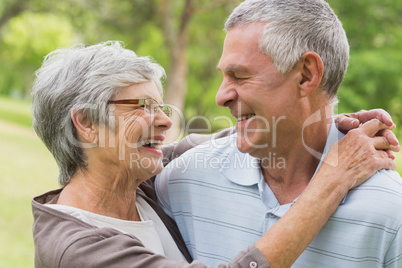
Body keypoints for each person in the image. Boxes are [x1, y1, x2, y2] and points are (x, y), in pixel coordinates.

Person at [31, 41, 397, 268]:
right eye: (142, 106)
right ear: (87, 123)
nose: (163, 120)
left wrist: (322, 122)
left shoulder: (143, 179)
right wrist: (331, 180)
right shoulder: (73, 247)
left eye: (161, 105)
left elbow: (237, 133)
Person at [155, 0, 402, 267]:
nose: (220, 96)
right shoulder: (181, 181)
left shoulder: (390, 211)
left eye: (239, 76)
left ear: (306, 76)